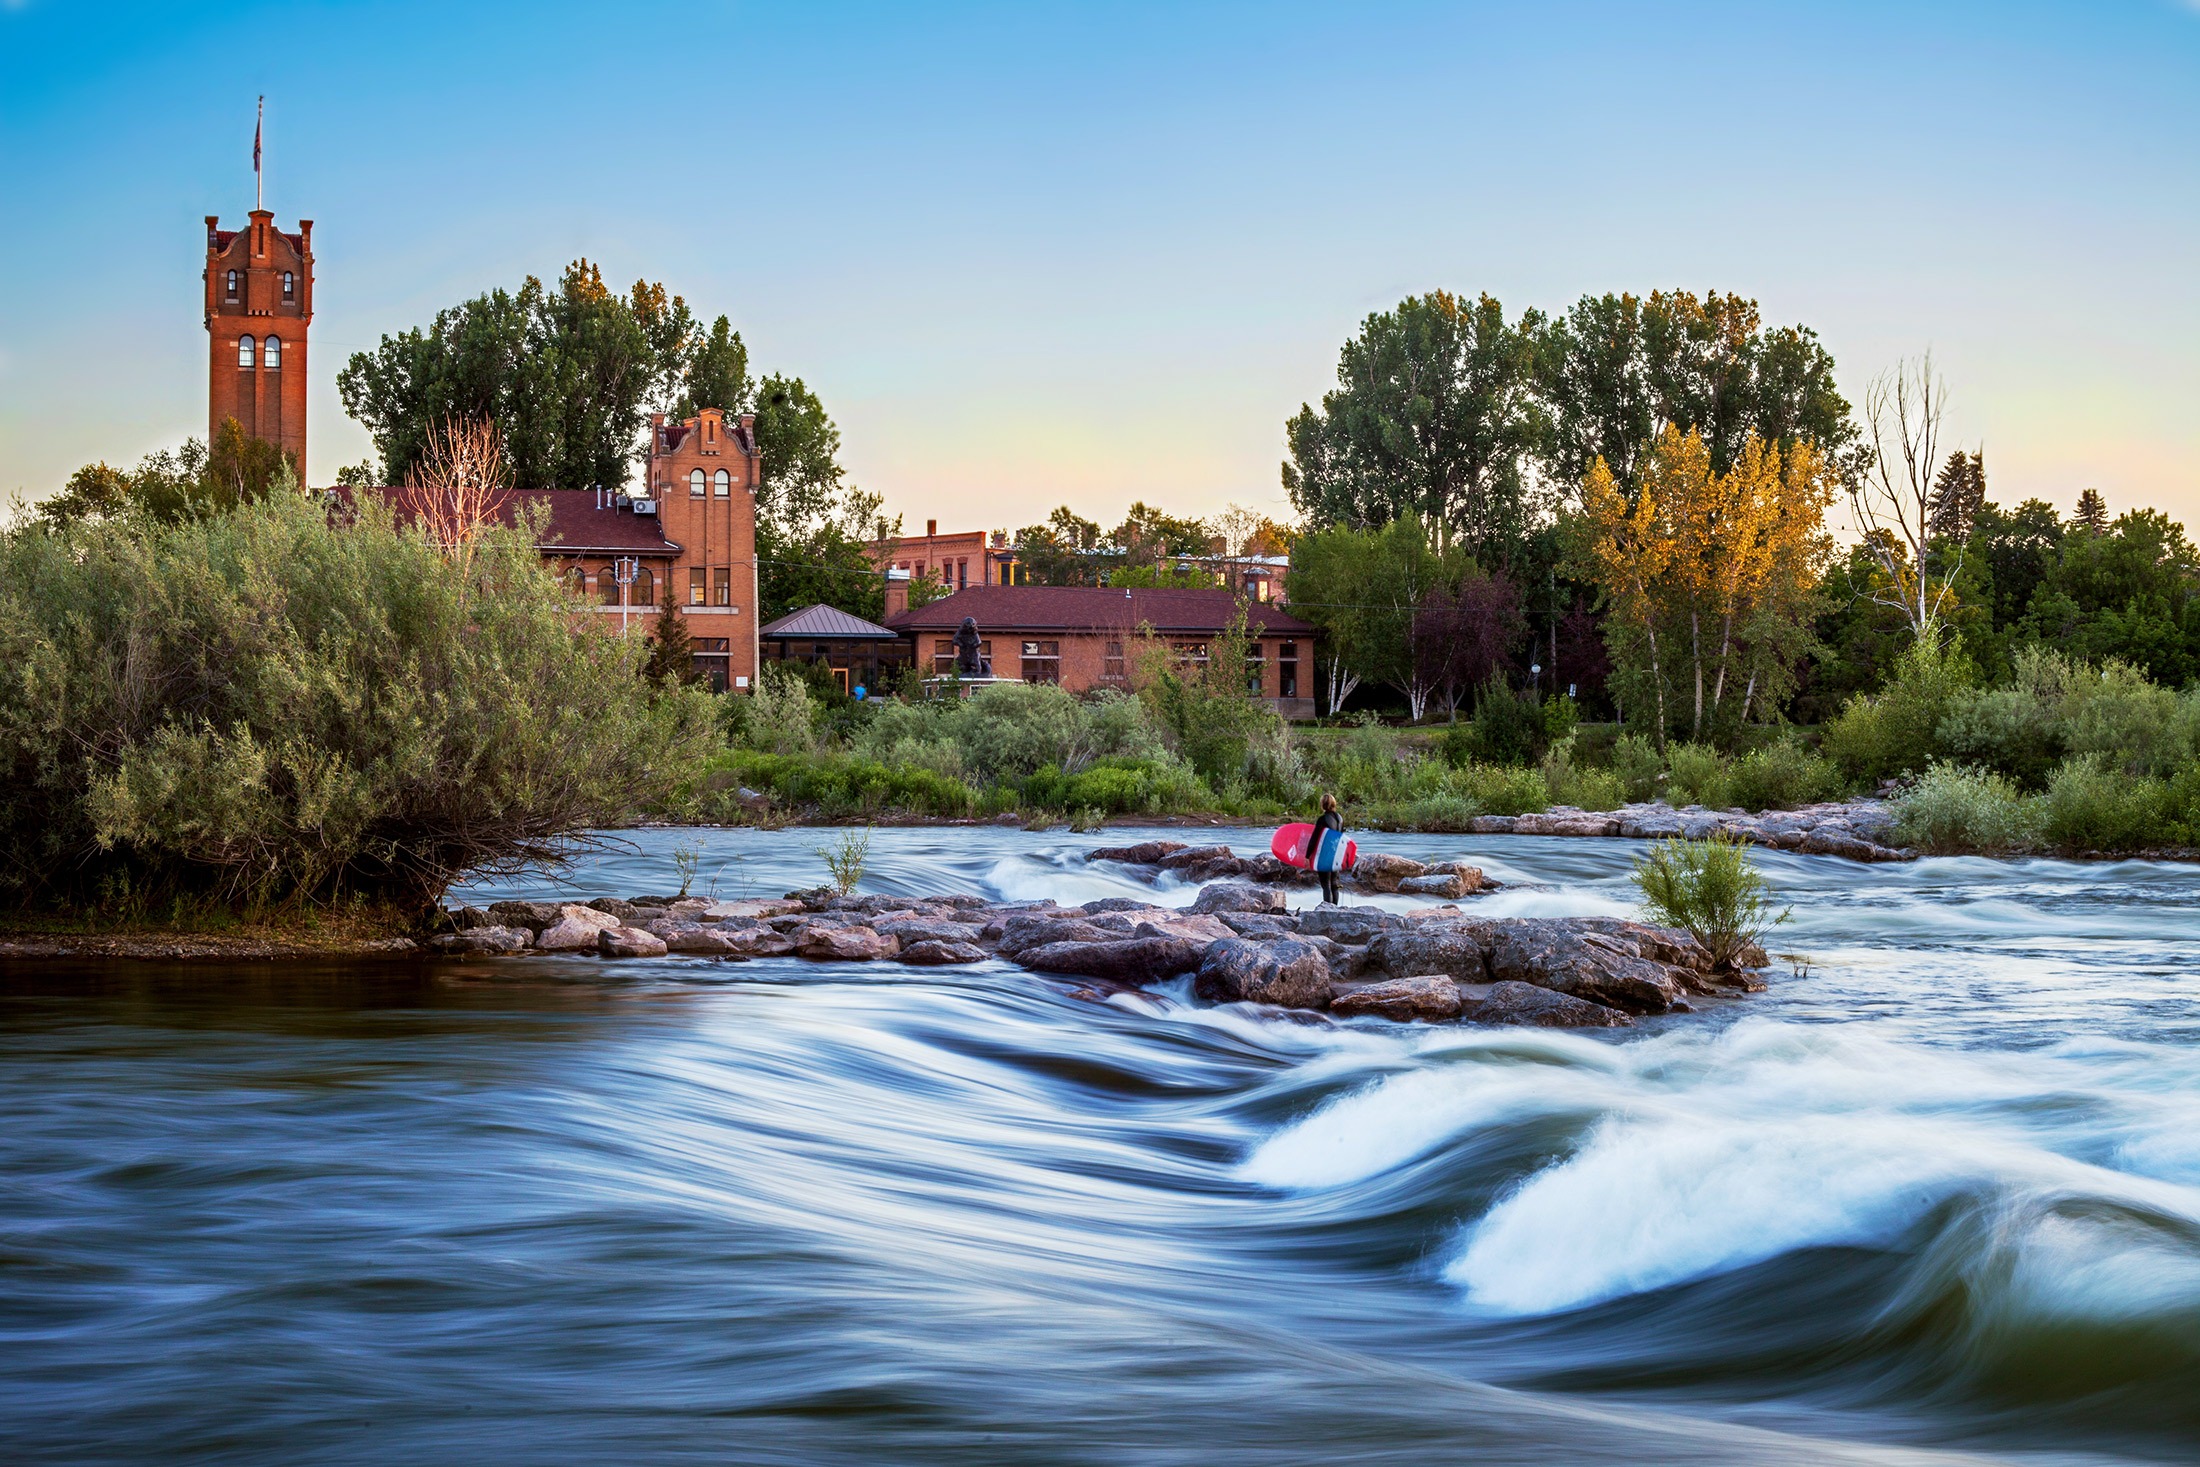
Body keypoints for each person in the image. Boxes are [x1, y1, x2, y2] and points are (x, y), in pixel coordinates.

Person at [1307, 792, 1346, 905]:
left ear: (1323, 805)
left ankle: (1328, 910)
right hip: (1337, 854)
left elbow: (1314, 839)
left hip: (1325, 854)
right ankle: (1335, 910)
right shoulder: (1340, 818)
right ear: (1333, 804)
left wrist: (1307, 856)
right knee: (1334, 884)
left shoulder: (1322, 819)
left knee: (1326, 885)